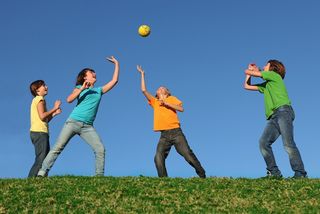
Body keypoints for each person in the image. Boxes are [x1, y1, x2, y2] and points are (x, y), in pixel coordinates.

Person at [38, 56, 119, 177]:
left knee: (100, 149)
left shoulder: (99, 90)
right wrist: (82, 88)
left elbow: (114, 81)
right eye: (91, 72)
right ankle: (42, 172)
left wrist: (116, 64)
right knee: (58, 147)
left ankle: (99, 177)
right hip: (73, 122)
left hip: (87, 127)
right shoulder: (78, 88)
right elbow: (69, 99)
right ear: (85, 77)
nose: (94, 73)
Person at [137, 65, 206, 178]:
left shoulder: (171, 98)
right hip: (164, 135)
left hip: (176, 132)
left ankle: (201, 173)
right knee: (158, 157)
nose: (160, 88)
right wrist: (142, 75)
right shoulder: (155, 102)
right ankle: (164, 180)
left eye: (162, 88)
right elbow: (143, 90)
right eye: (158, 88)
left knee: (187, 154)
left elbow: (181, 109)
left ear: (167, 92)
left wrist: (167, 103)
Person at [244, 60, 307, 178]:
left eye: (265, 65)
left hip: (284, 112)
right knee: (263, 142)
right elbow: (246, 86)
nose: (263, 67)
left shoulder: (274, 76)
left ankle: (300, 173)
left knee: (288, 144)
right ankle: (274, 173)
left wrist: (252, 70)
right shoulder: (267, 84)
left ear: (272, 68)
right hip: (273, 116)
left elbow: (248, 71)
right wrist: (250, 73)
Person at [29, 80, 61, 177]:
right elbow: (42, 116)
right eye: (43, 85)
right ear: (37, 90)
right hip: (39, 133)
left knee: (45, 158)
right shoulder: (40, 99)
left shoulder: (38, 100)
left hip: (40, 132)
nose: (46, 86)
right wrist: (54, 108)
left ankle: (40, 179)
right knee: (41, 158)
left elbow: (44, 119)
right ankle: (31, 180)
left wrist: (54, 114)